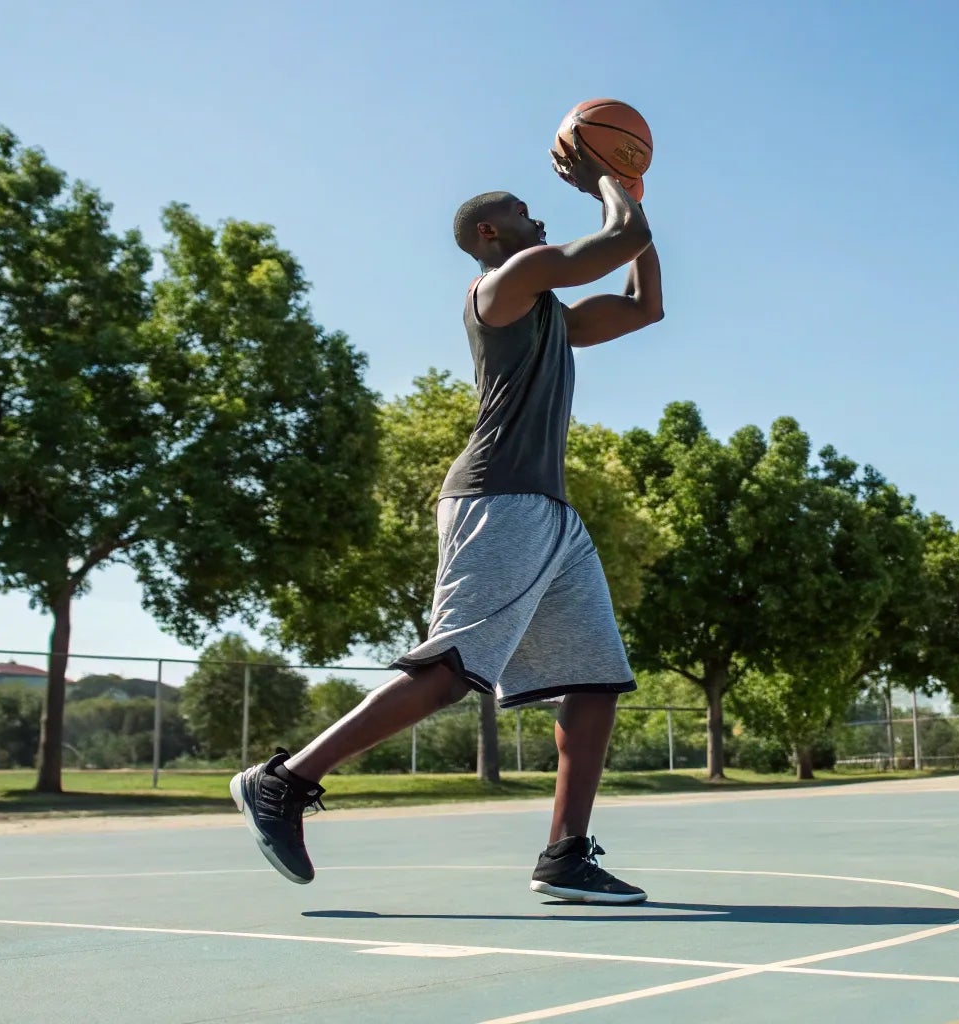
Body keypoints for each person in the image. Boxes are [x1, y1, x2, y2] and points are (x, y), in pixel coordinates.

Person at [230, 133, 663, 905]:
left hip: (551, 518)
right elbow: (620, 236)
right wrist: (608, 178)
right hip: (498, 502)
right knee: (451, 673)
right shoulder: (507, 281)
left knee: (595, 682)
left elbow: (644, 304)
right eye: (524, 214)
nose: (537, 222)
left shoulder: (551, 317)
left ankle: (565, 854)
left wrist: (632, 191)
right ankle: (285, 781)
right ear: (489, 235)